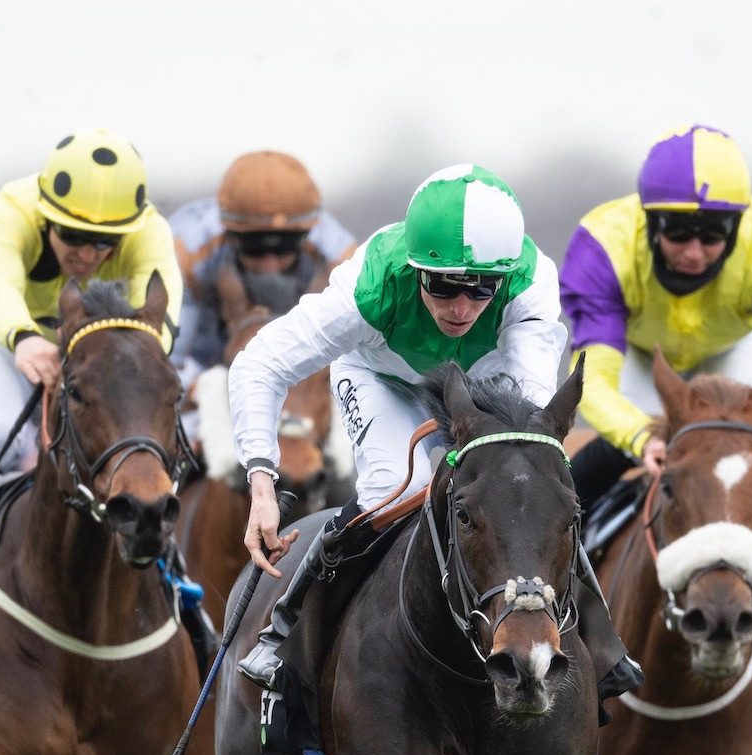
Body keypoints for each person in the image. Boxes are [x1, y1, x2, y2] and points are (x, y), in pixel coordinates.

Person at [230, 163, 640, 702]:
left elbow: (531, 418)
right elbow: (258, 364)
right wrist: (262, 483)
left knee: (526, 483)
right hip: (384, 377)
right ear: (416, 268)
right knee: (393, 492)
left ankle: (599, 640)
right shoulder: (371, 285)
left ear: (505, 277)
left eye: (480, 290)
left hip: (485, 383)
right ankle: (283, 634)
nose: (463, 308)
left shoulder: (530, 284)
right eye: (445, 286)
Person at [0, 128, 209, 666]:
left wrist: (114, 366)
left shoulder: (150, 232)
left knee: (145, 452)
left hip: (101, 351)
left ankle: (186, 602)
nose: (89, 254)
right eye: (72, 237)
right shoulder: (8, 213)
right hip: (4, 338)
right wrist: (25, 341)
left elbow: (160, 321)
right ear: (48, 217)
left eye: (105, 243)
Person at [558, 124, 752, 668]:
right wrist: (640, 434)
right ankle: (554, 587)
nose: (694, 252)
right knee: (594, 467)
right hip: (637, 362)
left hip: (729, 357)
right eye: (677, 234)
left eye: (712, 236)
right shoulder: (603, 244)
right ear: (649, 224)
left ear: (737, 228)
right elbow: (591, 381)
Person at [168, 150, 357, 382]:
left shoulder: (341, 261)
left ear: (307, 235)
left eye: (285, 247)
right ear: (229, 234)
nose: (270, 265)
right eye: (254, 246)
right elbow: (169, 366)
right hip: (206, 366)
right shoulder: (186, 252)